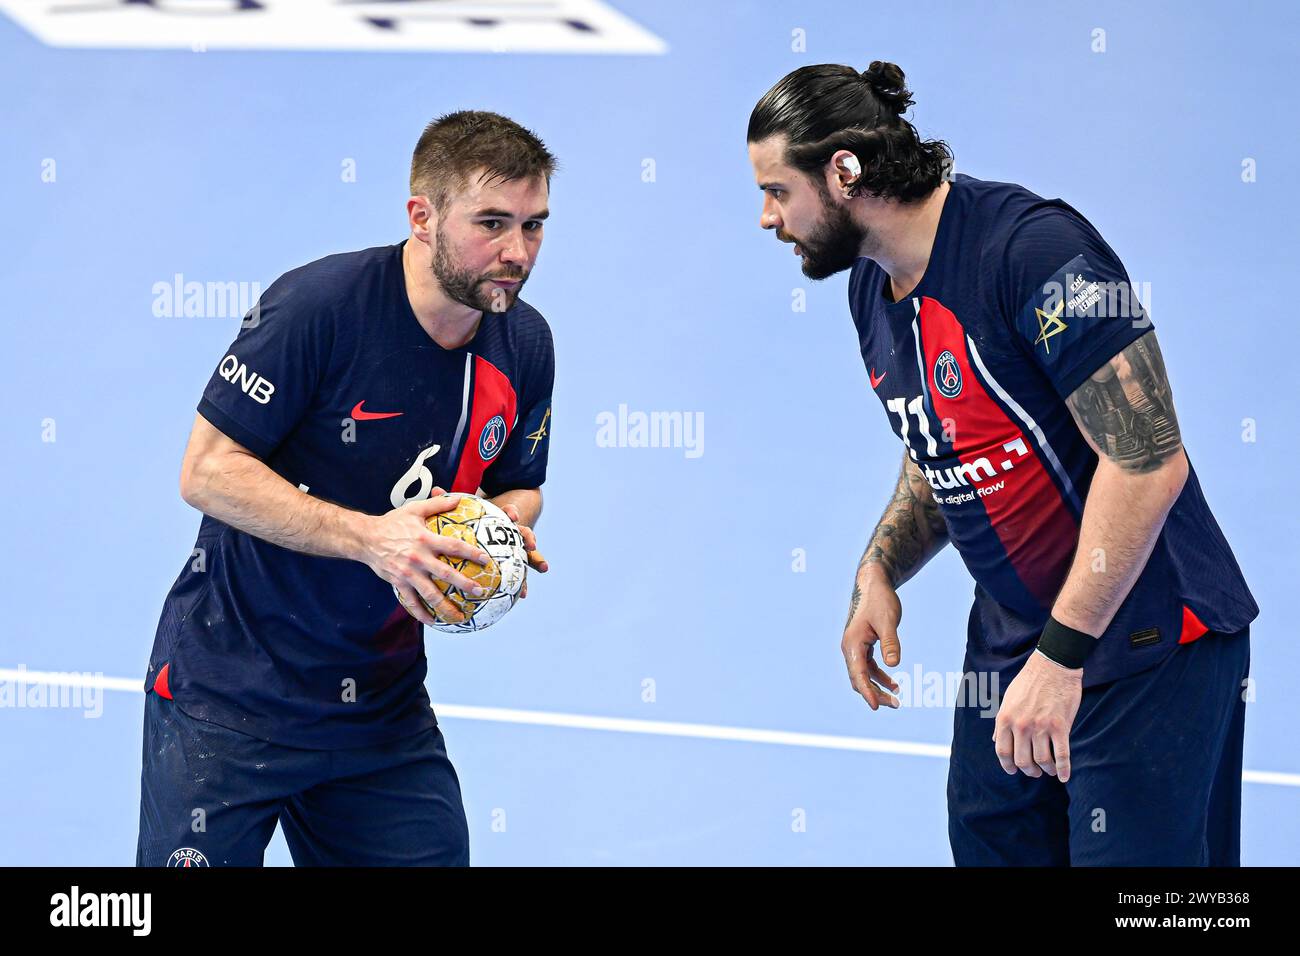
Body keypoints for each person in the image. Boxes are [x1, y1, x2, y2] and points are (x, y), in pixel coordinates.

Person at [747, 62, 1258, 865]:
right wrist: (881, 566)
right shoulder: (873, 286)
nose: (767, 218)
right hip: (1014, 642)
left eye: (778, 191)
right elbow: (946, 440)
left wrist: (1062, 658)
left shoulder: (1036, 253)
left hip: (1147, 641)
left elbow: (1148, 462)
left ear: (843, 173)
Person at [136, 110, 556, 867]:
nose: (517, 253)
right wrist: (374, 539)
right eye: (492, 223)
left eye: (533, 226)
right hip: (230, 698)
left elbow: (519, 484)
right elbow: (207, 470)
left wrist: (497, 535)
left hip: (379, 712)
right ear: (422, 217)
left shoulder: (524, 343)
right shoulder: (317, 308)